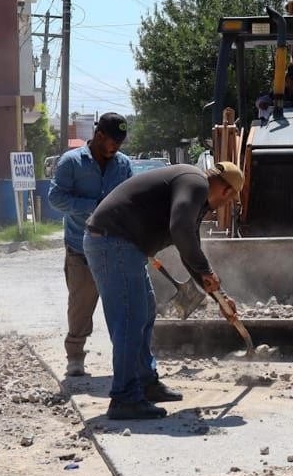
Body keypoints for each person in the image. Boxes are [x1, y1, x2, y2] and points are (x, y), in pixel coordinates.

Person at [83, 162, 245, 419]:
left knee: (144, 312)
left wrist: (220, 297)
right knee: (129, 319)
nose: (225, 204)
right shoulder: (196, 183)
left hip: (121, 245)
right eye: (230, 199)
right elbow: (180, 230)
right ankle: (124, 397)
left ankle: (145, 382)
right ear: (226, 192)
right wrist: (206, 271)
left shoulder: (193, 193)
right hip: (113, 242)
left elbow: (190, 251)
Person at [48, 112, 134, 377]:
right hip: (80, 248)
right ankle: (75, 355)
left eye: (120, 142)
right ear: (99, 136)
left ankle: (127, 360)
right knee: (81, 305)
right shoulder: (72, 162)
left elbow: (131, 198)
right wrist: (93, 208)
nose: (116, 147)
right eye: (112, 141)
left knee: (124, 306)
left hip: (116, 248)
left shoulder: (123, 165)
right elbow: (55, 197)